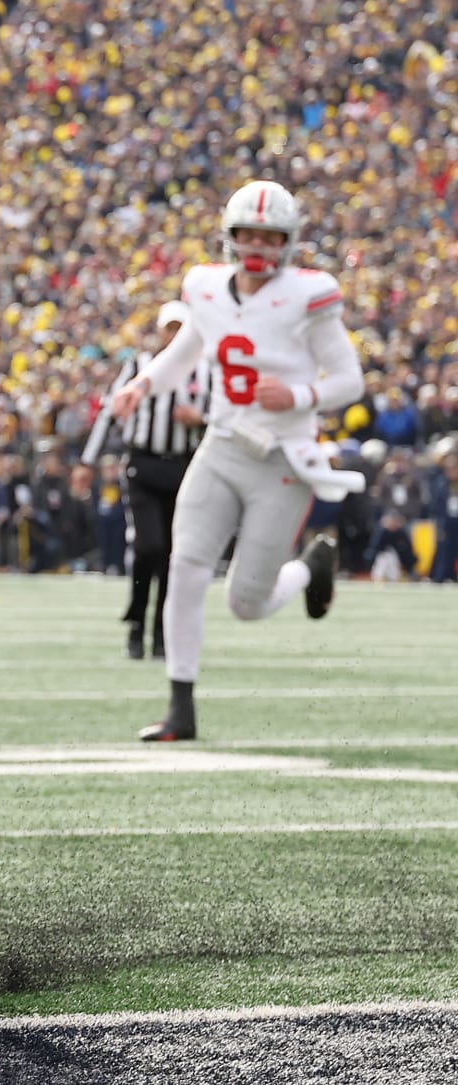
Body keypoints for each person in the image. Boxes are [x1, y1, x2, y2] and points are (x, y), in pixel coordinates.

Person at [111, 180, 364, 741]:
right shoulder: (205, 288)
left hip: (281, 457)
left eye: (269, 236)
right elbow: (186, 352)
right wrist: (145, 385)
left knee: (247, 603)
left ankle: (309, 567)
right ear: (229, 237)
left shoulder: (309, 294)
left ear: (288, 242)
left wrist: (299, 397)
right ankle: (181, 708)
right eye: (248, 234)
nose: (257, 245)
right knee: (186, 566)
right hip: (222, 445)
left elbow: (350, 379)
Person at [84, 302, 211, 659]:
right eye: (169, 328)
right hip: (142, 464)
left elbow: (224, 414)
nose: (173, 336)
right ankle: (138, 620)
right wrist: (87, 460)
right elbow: (111, 409)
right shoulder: (139, 366)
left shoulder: (204, 369)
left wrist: (199, 418)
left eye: (179, 328)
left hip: (185, 468)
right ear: (160, 331)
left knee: (174, 555)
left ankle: (160, 633)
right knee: (148, 546)